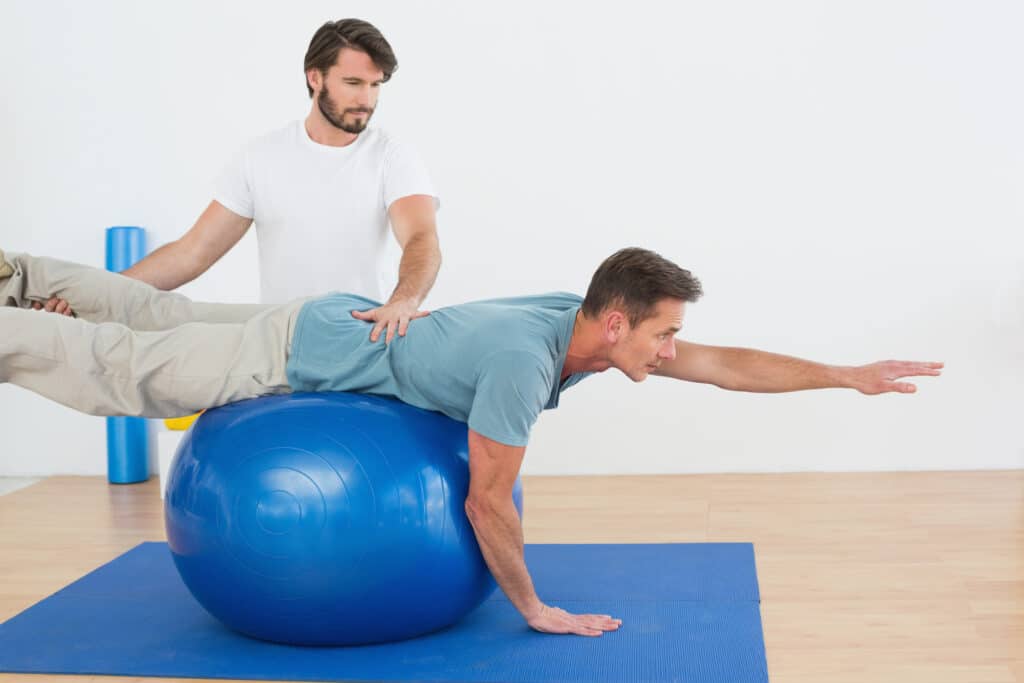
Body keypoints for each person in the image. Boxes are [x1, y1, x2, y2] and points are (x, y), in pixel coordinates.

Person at [0, 247, 943, 637]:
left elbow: (725, 364)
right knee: (130, 369)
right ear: (615, 325)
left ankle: (25, 275)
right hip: (294, 351)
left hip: (329, 320)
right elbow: (484, 500)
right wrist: (536, 607)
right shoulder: (522, 370)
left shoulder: (571, 319)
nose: (671, 348)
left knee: (160, 316)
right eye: (661, 332)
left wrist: (847, 372)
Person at [36, 19, 441, 345]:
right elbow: (191, 254)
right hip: (285, 343)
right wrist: (95, 295)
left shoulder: (393, 156)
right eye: (354, 83)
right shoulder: (261, 157)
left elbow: (421, 238)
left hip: (367, 339)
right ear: (315, 77)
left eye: (375, 85)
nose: (367, 99)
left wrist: (403, 302)